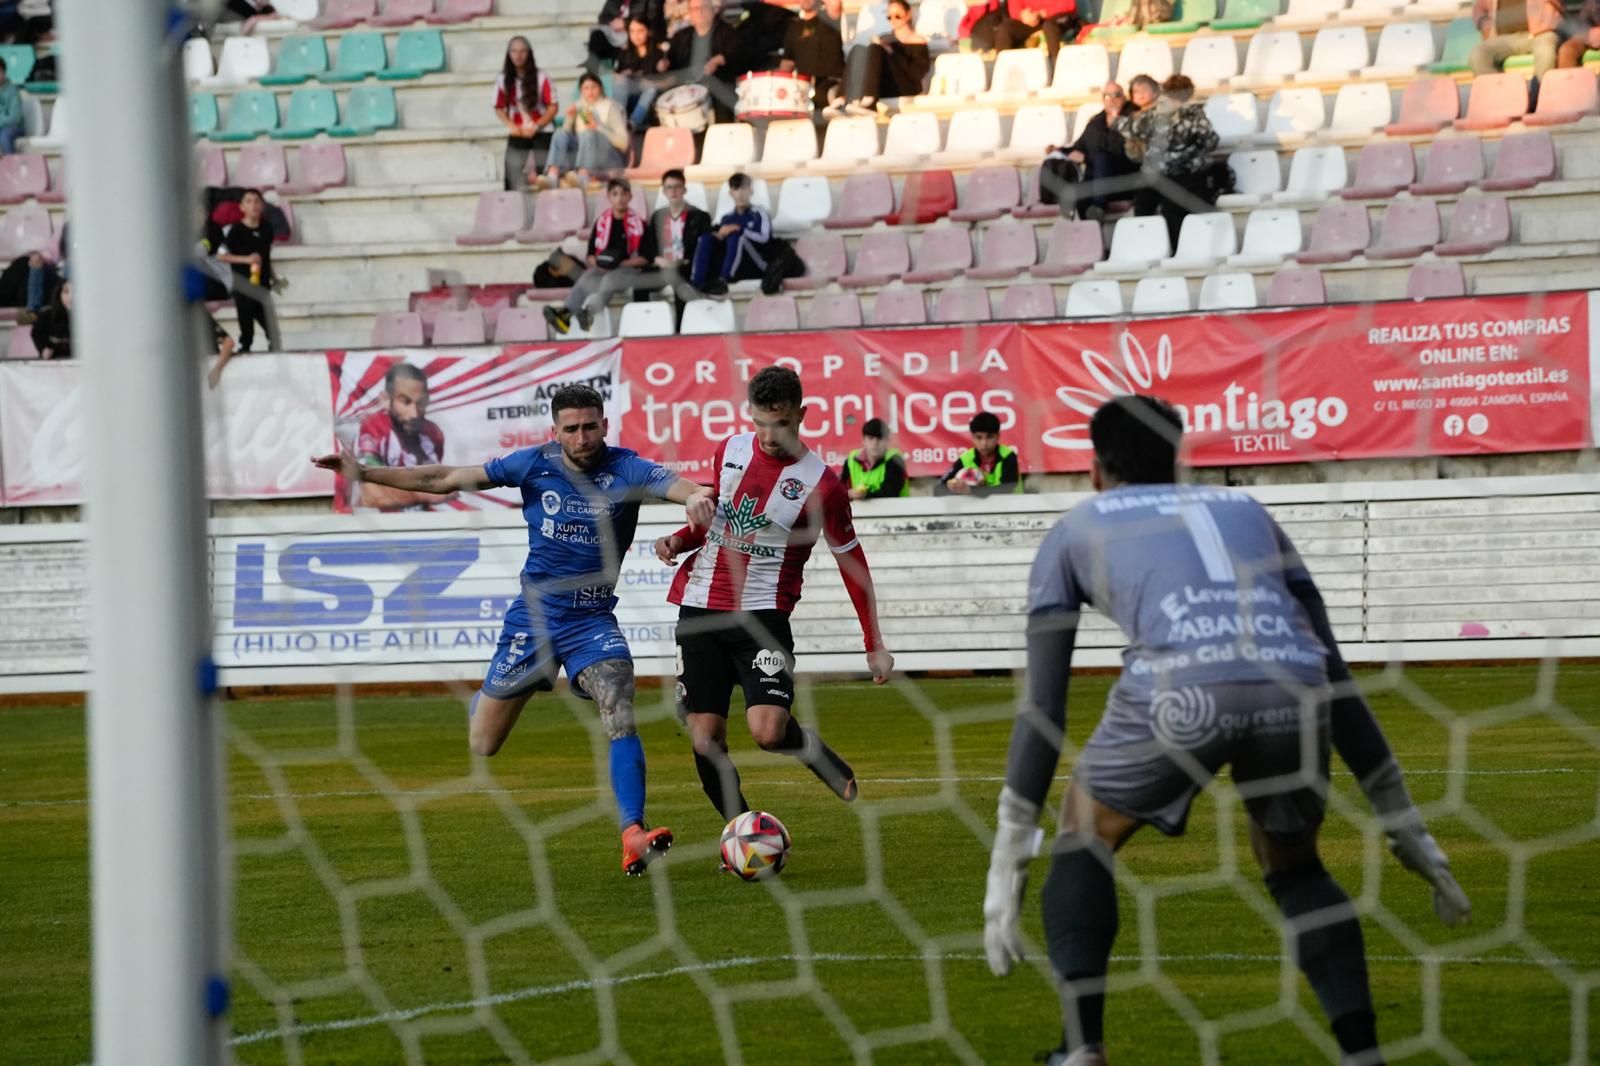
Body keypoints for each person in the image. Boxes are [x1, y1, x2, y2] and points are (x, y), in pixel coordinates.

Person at [981, 395, 1471, 1066]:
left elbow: (1043, 707)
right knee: (1295, 866)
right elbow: (1337, 675)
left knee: (1083, 834)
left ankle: (1082, 1047)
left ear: (1095, 469)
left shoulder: (1076, 526)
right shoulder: (1248, 511)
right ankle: (1363, 1054)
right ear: (1175, 460)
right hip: (1292, 686)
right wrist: (1403, 820)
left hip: (1180, 691)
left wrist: (1010, 853)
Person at [314, 384, 717, 875]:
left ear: (605, 425)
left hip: (591, 620)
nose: (583, 436)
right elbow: (444, 477)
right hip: (534, 619)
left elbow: (676, 484)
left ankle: (633, 831)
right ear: (556, 432)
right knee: (484, 743)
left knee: (619, 698)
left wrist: (695, 496)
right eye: (572, 429)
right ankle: (493, 695)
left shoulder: (626, 467)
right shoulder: (533, 463)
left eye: (591, 426)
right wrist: (364, 472)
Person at [653, 366, 894, 825]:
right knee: (706, 738)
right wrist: (679, 541)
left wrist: (874, 644)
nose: (767, 435)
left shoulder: (821, 483)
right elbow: (715, 521)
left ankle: (811, 751)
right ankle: (741, 832)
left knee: (768, 731)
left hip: (763, 615)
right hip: (701, 607)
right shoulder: (730, 450)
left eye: (779, 424)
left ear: (801, 415)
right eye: (760, 422)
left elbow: (852, 563)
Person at [544, 176, 655, 336]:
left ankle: (590, 313)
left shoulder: (640, 224)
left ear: (630, 197)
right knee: (586, 277)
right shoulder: (602, 222)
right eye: (615, 194)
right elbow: (590, 255)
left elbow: (646, 258)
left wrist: (620, 265)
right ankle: (565, 314)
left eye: (624, 194)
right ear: (608, 197)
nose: (620, 198)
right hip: (602, 268)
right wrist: (597, 264)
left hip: (630, 270)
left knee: (610, 280)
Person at [1123, 74, 1220, 247]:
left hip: (1185, 172)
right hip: (1162, 173)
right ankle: (1148, 246)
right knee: (1144, 203)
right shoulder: (1158, 116)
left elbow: (1210, 141)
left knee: (1170, 207)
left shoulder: (1193, 115)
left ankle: (1176, 248)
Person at [350, 362, 448, 511]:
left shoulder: (433, 433)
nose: (414, 413)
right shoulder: (373, 428)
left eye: (420, 403)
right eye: (405, 402)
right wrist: (428, 492)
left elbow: (445, 489)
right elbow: (372, 496)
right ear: (385, 399)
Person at [1041, 80, 1141, 222]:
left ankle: (1099, 207)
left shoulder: (1134, 118)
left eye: (1117, 95)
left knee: (1101, 158)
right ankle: (1090, 231)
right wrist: (1060, 149)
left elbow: (1125, 153)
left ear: (1124, 98)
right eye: (1107, 96)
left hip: (1122, 179)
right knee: (1079, 194)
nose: (1111, 100)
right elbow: (1079, 147)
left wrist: (1086, 159)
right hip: (1096, 182)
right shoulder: (1096, 123)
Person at [830, 0, 929, 117]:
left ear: (908, 15)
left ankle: (870, 101)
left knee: (875, 48)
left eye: (897, 16)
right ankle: (842, 98)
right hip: (884, 84)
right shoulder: (885, 38)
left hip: (906, 86)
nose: (893, 20)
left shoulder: (918, 41)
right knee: (858, 49)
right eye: (889, 17)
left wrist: (892, 53)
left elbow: (915, 74)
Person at [216, 188, 281, 354]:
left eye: (257, 201)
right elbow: (221, 256)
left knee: (270, 325)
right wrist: (246, 259)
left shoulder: (266, 228)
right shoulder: (236, 230)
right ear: (242, 207)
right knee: (247, 326)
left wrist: (274, 277)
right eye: (249, 201)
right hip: (243, 284)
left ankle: (275, 354)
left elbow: (266, 255)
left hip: (262, 283)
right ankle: (245, 350)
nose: (254, 205)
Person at [537, 72, 630, 189]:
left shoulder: (610, 107)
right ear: (581, 91)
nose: (590, 92)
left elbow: (623, 143)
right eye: (586, 88)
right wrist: (569, 119)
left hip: (610, 158)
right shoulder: (578, 106)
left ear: (600, 88)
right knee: (560, 134)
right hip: (584, 157)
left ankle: (583, 176)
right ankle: (552, 176)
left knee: (588, 133)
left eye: (594, 87)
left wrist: (598, 127)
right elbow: (565, 140)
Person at [690, 171, 771, 295]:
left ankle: (723, 280)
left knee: (736, 237)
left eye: (744, 188)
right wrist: (720, 236)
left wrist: (739, 229)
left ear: (751, 191)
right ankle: (697, 282)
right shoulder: (726, 218)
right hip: (735, 265)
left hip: (756, 264)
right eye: (736, 189)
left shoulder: (759, 213)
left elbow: (765, 238)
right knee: (707, 238)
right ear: (731, 193)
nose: (740, 193)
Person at [494, 36, 558, 192]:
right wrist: (511, 126)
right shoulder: (502, 79)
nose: (518, 55)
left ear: (529, 53)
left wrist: (538, 125)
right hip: (518, 131)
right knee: (511, 174)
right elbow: (498, 107)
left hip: (542, 130)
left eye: (522, 51)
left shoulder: (542, 77)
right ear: (509, 54)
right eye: (514, 51)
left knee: (544, 176)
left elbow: (553, 106)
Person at [665, 0, 739, 122]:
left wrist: (720, 59)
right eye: (694, 9)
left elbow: (739, 54)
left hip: (718, 85)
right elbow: (671, 63)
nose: (699, 12)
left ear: (712, 10)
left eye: (703, 7)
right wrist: (665, 63)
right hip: (686, 87)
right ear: (689, 12)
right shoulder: (680, 37)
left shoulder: (727, 32)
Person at [778, 0, 844, 111]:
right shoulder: (794, 28)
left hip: (830, 84)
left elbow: (835, 5)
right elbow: (787, 63)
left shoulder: (829, 19)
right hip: (804, 87)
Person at [936, 411, 1023, 496]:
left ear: (998, 436)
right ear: (972, 437)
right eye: (979, 437)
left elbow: (1006, 489)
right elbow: (938, 489)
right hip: (975, 509)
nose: (984, 443)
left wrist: (971, 490)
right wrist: (954, 487)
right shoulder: (966, 458)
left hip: (1010, 508)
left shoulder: (1008, 456)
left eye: (989, 437)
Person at [1469, 0, 1564, 77]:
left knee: (1545, 51)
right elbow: (1479, 9)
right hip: (1503, 38)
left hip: (1540, 32)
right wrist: (1484, 25)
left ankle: (1538, 97)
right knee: (1478, 55)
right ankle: (1499, 97)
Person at [963, 0, 1080, 61]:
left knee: (1049, 27)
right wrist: (1022, 15)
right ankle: (1001, 70)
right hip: (1031, 18)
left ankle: (1055, 68)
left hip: (1057, 17)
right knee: (1005, 29)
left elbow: (1069, 4)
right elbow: (1014, 6)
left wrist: (1043, 13)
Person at [612, 17, 669, 129]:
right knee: (620, 81)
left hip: (649, 102)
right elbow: (616, 75)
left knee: (651, 86)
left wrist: (661, 69)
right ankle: (618, 120)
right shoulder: (625, 53)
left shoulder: (658, 53)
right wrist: (624, 74)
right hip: (630, 96)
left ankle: (633, 123)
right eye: (632, 31)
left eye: (640, 31)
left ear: (648, 31)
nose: (636, 36)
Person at [586, 0, 665, 71]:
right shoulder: (613, 1)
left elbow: (652, 16)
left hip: (634, 32)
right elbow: (602, 17)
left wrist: (625, 23)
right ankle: (596, 76)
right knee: (597, 37)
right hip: (614, 34)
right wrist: (612, 22)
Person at [840, 418, 908, 500]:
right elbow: (840, 489)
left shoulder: (895, 460)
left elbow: (891, 492)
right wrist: (848, 494)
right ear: (863, 440)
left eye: (879, 438)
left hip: (896, 511)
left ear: (887, 441)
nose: (875, 443)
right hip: (859, 512)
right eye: (870, 438)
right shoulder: (851, 460)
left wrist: (865, 495)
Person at [30, 278, 68, 359]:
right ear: (59, 294)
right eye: (66, 292)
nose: (71, 297)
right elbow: (36, 334)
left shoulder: (89, 318)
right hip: (52, 363)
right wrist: (43, 349)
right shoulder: (46, 315)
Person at [1558, 0, 1600, 67]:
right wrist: (1588, 33)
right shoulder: (1592, 3)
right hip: (1589, 36)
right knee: (1567, 50)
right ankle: (1570, 77)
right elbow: (1582, 22)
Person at [0, 59, 23, 155]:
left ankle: (12, 166)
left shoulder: (13, 91)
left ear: (4, 72)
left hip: (14, 127)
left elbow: (15, 118)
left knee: (5, 135)